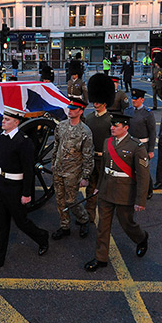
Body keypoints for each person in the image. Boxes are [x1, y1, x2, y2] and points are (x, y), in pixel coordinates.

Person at [0, 107, 50, 271]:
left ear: (16, 122)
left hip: (16, 188)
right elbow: (0, 160)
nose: (3, 121)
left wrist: (26, 194)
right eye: (3, 118)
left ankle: (42, 237)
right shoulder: (0, 136)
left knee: (21, 222)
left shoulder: (24, 142)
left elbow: (28, 169)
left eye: (7, 119)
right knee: (0, 224)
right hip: (2, 185)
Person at [84, 112, 151, 272]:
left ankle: (141, 238)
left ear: (126, 127)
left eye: (116, 125)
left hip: (125, 192)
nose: (112, 128)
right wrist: (98, 187)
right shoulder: (107, 142)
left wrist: (140, 200)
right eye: (112, 125)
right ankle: (101, 258)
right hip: (107, 190)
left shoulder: (136, 146)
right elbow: (104, 169)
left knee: (127, 224)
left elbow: (143, 176)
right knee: (103, 226)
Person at [50, 99, 93, 240]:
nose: (70, 110)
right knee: (60, 200)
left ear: (80, 111)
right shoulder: (61, 126)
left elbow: (88, 155)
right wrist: (53, 162)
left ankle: (83, 219)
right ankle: (65, 226)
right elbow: (56, 145)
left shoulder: (85, 131)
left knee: (71, 201)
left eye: (74, 109)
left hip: (73, 172)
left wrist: (86, 176)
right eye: (69, 108)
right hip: (58, 169)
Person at [83, 73, 115, 222]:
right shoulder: (88, 118)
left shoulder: (111, 121)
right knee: (91, 188)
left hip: (105, 160)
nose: (95, 103)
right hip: (91, 159)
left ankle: (104, 217)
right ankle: (88, 215)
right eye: (94, 100)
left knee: (104, 190)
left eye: (99, 101)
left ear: (105, 101)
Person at [124, 88, 156, 200]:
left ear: (142, 100)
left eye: (136, 99)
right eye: (132, 98)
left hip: (143, 146)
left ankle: (149, 189)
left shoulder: (148, 113)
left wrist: (151, 150)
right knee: (130, 168)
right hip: (130, 143)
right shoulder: (128, 111)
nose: (133, 101)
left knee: (143, 169)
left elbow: (152, 132)